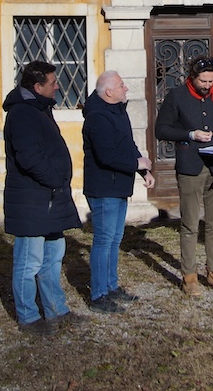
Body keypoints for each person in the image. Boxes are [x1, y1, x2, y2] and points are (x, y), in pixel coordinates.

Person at [2, 60, 82, 336]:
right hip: (32, 201)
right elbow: (29, 157)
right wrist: (54, 180)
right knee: (29, 262)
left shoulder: (39, 109)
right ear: (37, 87)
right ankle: (28, 317)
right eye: (53, 82)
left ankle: (56, 310)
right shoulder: (23, 114)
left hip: (49, 199)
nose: (58, 86)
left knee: (53, 257)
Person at [154, 55, 213, 297]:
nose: (208, 86)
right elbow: (162, 129)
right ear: (192, 77)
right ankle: (189, 276)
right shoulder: (177, 96)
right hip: (191, 166)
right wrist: (190, 134)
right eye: (203, 81)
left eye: (211, 81)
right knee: (190, 224)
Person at [81, 70, 155, 313]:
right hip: (104, 188)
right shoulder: (98, 117)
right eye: (122, 85)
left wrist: (143, 171)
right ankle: (99, 295)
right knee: (103, 241)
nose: (126, 89)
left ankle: (111, 287)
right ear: (109, 92)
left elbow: (128, 145)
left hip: (118, 186)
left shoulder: (117, 112)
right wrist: (136, 164)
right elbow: (107, 155)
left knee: (114, 239)